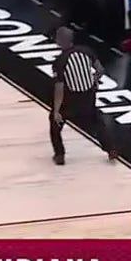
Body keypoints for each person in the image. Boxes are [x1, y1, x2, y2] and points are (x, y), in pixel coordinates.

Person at [49, 26, 114, 165]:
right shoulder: (86, 51)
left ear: (59, 41)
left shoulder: (60, 61)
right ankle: (110, 149)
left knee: (55, 122)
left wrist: (56, 110)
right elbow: (101, 70)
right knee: (97, 122)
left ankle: (59, 155)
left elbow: (59, 88)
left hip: (71, 98)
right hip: (88, 95)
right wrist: (94, 80)